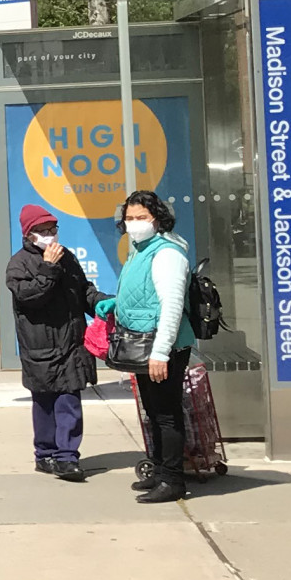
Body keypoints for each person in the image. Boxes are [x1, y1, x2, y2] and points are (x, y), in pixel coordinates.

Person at [98, 188, 196, 504]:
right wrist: (117, 303)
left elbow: (171, 305)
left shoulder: (166, 252)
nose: (134, 223)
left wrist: (161, 353)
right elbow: (142, 293)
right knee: (152, 412)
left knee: (166, 414)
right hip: (144, 344)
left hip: (161, 347)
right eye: (129, 218)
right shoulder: (142, 250)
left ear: (158, 219)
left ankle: (172, 479)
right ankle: (158, 470)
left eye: (142, 217)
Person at [5, 202, 95, 481]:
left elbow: (83, 291)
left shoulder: (66, 257)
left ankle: (67, 457)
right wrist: (49, 268)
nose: (49, 235)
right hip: (40, 347)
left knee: (69, 400)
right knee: (44, 404)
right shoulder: (19, 264)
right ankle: (44, 454)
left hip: (71, 343)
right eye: (42, 230)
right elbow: (30, 297)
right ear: (29, 234)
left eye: (52, 229)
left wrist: (102, 304)